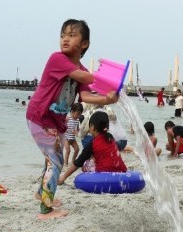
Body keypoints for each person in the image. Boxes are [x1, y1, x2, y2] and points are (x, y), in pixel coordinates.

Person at [26, 19, 118, 219]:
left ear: (84, 43)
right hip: (40, 116)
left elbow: (85, 97)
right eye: (62, 35)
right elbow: (86, 79)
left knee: (52, 158)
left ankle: (41, 194)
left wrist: (107, 99)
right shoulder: (57, 59)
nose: (65, 39)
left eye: (71, 35)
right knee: (56, 160)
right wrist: (109, 78)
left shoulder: (82, 71)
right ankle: (46, 209)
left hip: (55, 121)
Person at [58, 111, 127, 184]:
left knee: (86, 164)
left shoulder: (93, 143)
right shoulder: (110, 137)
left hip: (104, 175)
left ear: (92, 127)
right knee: (97, 156)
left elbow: (78, 162)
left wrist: (63, 177)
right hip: (121, 171)